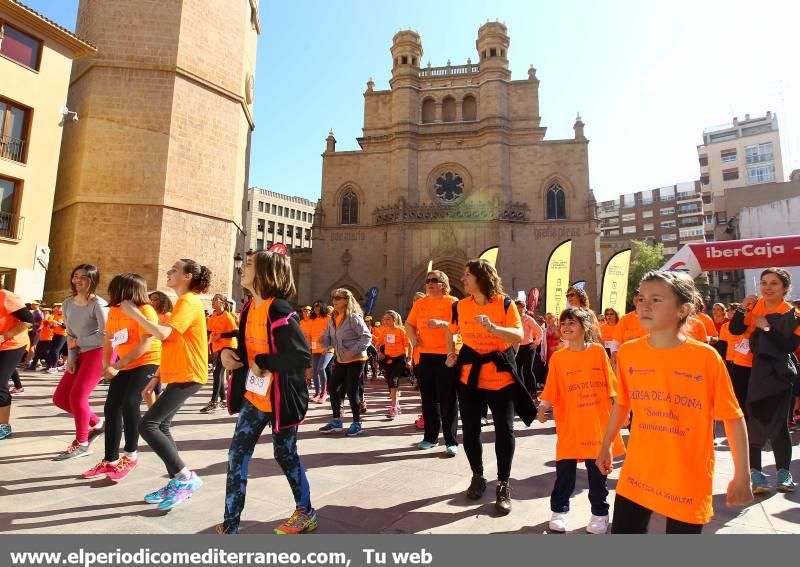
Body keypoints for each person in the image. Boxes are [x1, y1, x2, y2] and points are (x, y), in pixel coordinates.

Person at [597, 270, 752, 534]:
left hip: (686, 474)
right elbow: (623, 404)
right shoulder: (629, 353)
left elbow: (733, 417)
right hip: (639, 470)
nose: (644, 305)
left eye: (656, 299)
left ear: (683, 309)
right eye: (641, 298)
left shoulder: (705, 358)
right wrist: (606, 445)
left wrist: (743, 475)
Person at [218, 250, 315, 535]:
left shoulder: (280, 311)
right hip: (254, 397)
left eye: (248, 265)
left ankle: (306, 512)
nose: (242, 269)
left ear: (266, 272)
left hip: (282, 399)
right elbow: (248, 351)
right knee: (237, 455)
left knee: (284, 454)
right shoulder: (248, 308)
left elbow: (300, 355)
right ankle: (231, 525)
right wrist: (227, 355)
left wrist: (264, 362)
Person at [122, 259, 210, 510]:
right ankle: (177, 480)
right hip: (179, 373)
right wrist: (157, 376)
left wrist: (134, 314)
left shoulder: (188, 301)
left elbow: (164, 335)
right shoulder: (186, 302)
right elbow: (176, 342)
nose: (169, 272)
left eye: (174, 269)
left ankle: (185, 477)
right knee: (161, 425)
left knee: (147, 425)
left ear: (188, 276)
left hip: (189, 374)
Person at [450, 259, 537, 515]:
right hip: (470, 376)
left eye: (467, 275)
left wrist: (493, 328)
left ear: (481, 277)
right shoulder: (460, 306)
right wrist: (450, 352)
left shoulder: (505, 303)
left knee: (504, 431)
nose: (463, 279)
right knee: (471, 431)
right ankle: (478, 475)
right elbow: (451, 330)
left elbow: (518, 337)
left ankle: (503, 483)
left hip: (500, 378)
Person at [538, 307, 624, 534]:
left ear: (585, 327)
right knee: (564, 470)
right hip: (570, 424)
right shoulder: (558, 358)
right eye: (563, 323)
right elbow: (551, 388)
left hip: (596, 423)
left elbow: (611, 385)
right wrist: (543, 406)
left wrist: (620, 411)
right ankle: (559, 511)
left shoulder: (597, 352)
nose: (565, 327)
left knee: (597, 473)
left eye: (571, 323)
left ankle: (600, 514)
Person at [82, 273, 161, 482]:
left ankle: (131, 455)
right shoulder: (115, 310)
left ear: (127, 290)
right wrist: (106, 364)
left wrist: (117, 366)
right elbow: (109, 339)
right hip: (124, 363)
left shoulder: (145, 310)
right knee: (111, 407)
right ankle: (110, 459)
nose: (110, 292)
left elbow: (145, 344)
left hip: (147, 361)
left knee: (130, 402)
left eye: (114, 288)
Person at [728, 268, 800, 493]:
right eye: (764, 282)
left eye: (774, 283)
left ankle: (783, 474)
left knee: (779, 424)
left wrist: (765, 327)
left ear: (785, 289)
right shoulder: (754, 305)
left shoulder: (793, 315)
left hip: (775, 374)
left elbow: (788, 346)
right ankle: (757, 475)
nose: (767, 287)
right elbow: (735, 328)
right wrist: (742, 308)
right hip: (746, 371)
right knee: (751, 424)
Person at [52, 264, 108, 461]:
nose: (78, 280)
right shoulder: (67, 304)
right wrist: (71, 358)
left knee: (77, 397)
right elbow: (70, 334)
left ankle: (82, 443)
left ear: (92, 280)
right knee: (60, 398)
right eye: (76, 276)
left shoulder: (98, 304)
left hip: (98, 353)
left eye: (84, 277)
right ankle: (98, 424)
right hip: (79, 352)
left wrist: (79, 342)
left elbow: (106, 335)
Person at [406, 270, 459, 454]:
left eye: (434, 280)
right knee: (428, 400)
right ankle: (430, 438)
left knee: (448, 400)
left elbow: (459, 328)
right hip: (424, 356)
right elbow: (409, 324)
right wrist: (413, 339)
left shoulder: (453, 302)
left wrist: (442, 324)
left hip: (446, 356)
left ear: (443, 283)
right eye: (428, 280)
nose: (430, 283)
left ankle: (451, 441)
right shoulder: (420, 303)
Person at [318, 289, 371, 436]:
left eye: (339, 298)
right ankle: (336, 422)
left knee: (351, 390)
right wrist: (324, 342)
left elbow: (366, 337)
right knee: (333, 387)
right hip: (341, 359)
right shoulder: (333, 318)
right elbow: (329, 338)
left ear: (346, 300)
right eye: (333, 297)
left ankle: (357, 423)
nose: (335, 300)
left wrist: (353, 350)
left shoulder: (354, 317)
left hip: (356, 359)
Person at [0, 290, 33, 440]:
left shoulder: (6, 296)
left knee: (0, 384)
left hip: (12, 345)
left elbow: (28, 320)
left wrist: (5, 336)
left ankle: (4, 427)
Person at [202, 294, 238, 414]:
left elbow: (235, 332)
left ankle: (213, 402)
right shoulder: (213, 315)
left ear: (222, 303)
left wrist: (221, 335)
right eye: (212, 300)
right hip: (216, 347)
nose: (212, 302)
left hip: (227, 348)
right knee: (219, 373)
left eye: (215, 300)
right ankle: (223, 400)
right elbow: (208, 330)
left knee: (217, 372)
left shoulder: (227, 316)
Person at [376, 310, 410, 419]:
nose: (385, 321)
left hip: (399, 359)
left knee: (393, 381)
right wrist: (379, 352)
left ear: (394, 320)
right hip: (387, 360)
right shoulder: (384, 331)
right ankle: (397, 404)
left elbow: (409, 345)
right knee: (389, 382)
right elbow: (378, 344)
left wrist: (409, 359)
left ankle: (394, 407)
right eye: (384, 319)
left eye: (388, 319)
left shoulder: (401, 331)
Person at [145, 291, 173, 409]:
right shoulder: (150, 314)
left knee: (152, 386)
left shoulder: (167, 315)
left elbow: (168, 335)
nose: (152, 302)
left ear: (163, 301)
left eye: (155, 299)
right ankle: (155, 410)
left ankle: (152, 412)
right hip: (149, 350)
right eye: (151, 299)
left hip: (160, 352)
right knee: (154, 385)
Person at [514, 299, 542, 394]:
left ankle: (534, 392)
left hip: (528, 347)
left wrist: (536, 343)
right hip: (517, 347)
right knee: (517, 369)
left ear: (524, 308)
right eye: (516, 307)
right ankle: (523, 391)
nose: (518, 309)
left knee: (528, 370)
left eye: (520, 307)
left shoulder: (528, 319)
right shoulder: (514, 318)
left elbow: (540, 331)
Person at [309, 301, 333, 403]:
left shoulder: (329, 318)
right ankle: (317, 393)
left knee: (321, 368)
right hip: (315, 349)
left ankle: (324, 393)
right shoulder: (312, 320)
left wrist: (328, 347)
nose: (316, 310)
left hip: (327, 349)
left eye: (318, 308)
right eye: (314, 308)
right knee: (314, 370)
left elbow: (333, 334)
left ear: (322, 308)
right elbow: (310, 335)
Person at [48, 303, 68, 373]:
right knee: (51, 350)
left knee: (56, 350)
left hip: (63, 335)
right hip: (55, 334)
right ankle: (51, 366)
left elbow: (65, 327)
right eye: (57, 306)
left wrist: (59, 323)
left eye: (60, 306)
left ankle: (54, 367)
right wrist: (50, 325)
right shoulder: (55, 314)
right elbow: (52, 325)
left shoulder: (65, 315)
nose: (58, 308)